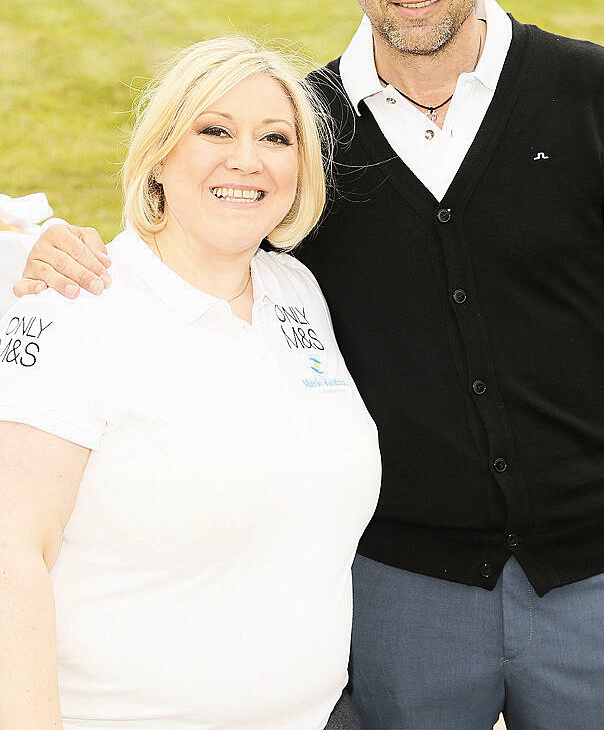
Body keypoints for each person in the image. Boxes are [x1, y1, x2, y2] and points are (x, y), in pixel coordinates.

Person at [17, 0, 604, 730]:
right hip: (401, 596)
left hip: (601, 583)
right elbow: (192, 228)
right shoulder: (301, 136)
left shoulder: (594, 93)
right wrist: (24, 244)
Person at [1, 37, 380, 730]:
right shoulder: (77, 302)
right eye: (214, 130)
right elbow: (11, 555)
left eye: (275, 137)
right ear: (158, 158)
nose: (247, 159)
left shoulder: (295, 291)